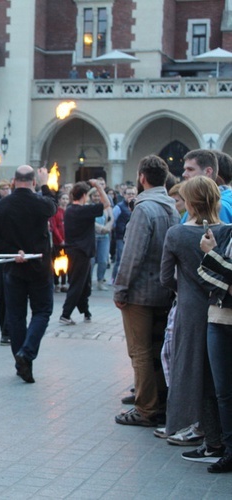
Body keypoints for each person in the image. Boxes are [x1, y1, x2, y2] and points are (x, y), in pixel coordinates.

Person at [160, 176, 226, 463]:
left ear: (189, 202)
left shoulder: (176, 234)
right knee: (220, 379)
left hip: (190, 309)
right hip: (224, 309)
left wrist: (184, 289)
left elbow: (165, 278)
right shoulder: (227, 232)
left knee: (194, 374)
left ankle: (211, 441)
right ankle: (220, 440)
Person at [114, 155, 180, 427]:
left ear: (142, 177)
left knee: (139, 351)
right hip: (163, 290)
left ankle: (146, 408)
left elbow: (132, 255)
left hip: (140, 293)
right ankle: (160, 402)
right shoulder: (171, 208)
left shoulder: (144, 208)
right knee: (156, 350)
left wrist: (121, 288)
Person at [0, 166, 57, 384]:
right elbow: (52, 207)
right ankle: (26, 353)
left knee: (16, 315)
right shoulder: (40, 202)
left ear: (14, 181)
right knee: (42, 311)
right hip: (39, 267)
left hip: (13, 266)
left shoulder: (3, 204)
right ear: (33, 182)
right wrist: (46, 185)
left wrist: (10, 250)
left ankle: (21, 361)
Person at [197, 220, 232, 473]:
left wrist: (212, 255)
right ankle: (230, 450)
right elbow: (203, 273)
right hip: (219, 318)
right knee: (223, 393)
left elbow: (213, 264)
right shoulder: (226, 232)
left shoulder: (218, 241)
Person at [59, 180, 110, 325]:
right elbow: (107, 204)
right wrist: (99, 187)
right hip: (80, 252)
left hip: (77, 252)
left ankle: (85, 311)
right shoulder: (82, 211)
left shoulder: (70, 209)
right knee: (77, 284)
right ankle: (65, 314)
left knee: (85, 284)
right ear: (83, 195)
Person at [111, 185, 136, 282]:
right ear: (124, 195)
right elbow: (113, 221)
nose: (131, 196)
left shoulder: (138, 206)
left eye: (133, 194)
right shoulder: (119, 207)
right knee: (120, 259)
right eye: (129, 194)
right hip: (121, 237)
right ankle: (114, 278)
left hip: (133, 237)